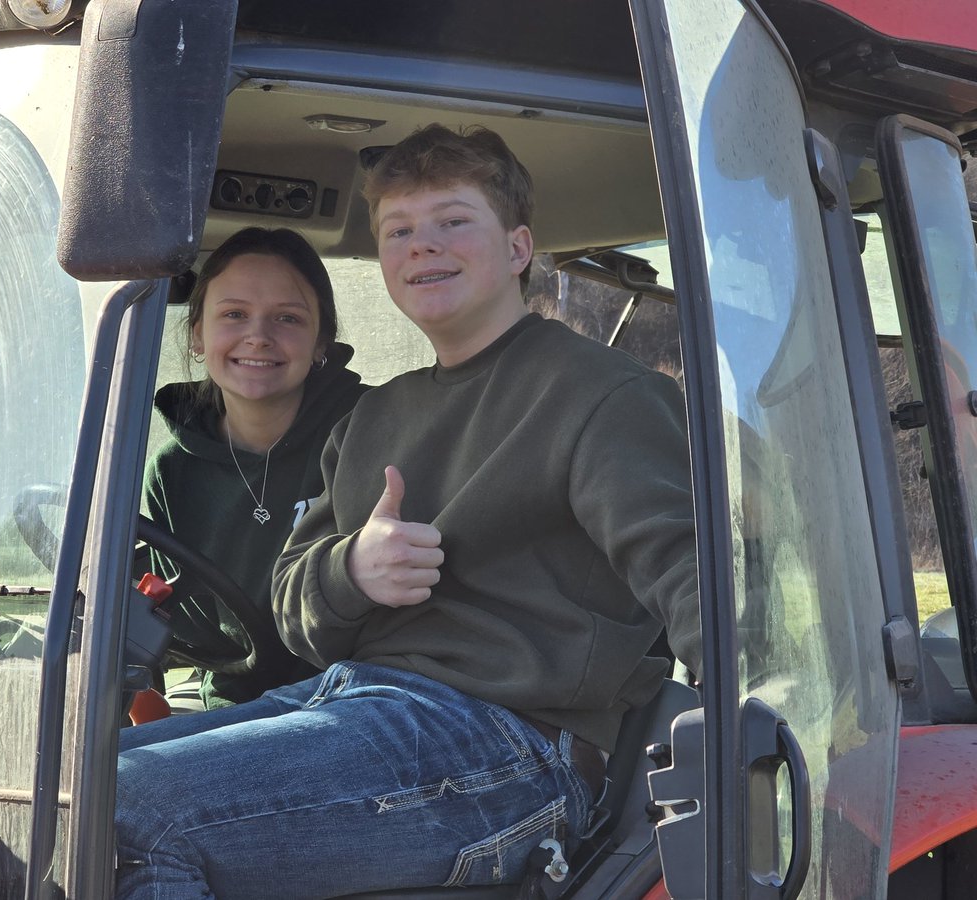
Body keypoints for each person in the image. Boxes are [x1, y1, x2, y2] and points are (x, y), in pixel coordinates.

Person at [115, 125, 700, 898]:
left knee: (133, 808)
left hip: (512, 745)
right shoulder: (374, 420)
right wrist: (351, 569)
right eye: (400, 231)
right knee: (85, 785)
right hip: (357, 701)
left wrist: (766, 734)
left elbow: (697, 581)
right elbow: (294, 607)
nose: (423, 245)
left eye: (453, 221)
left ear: (519, 248)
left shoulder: (601, 396)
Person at [142, 226, 366, 708]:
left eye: (287, 317)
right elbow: (180, 624)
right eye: (234, 314)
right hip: (233, 703)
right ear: (198, 333)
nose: (258, 337)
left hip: (349, 698)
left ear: (321, 340)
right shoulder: (171, 473)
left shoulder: (369, 430)